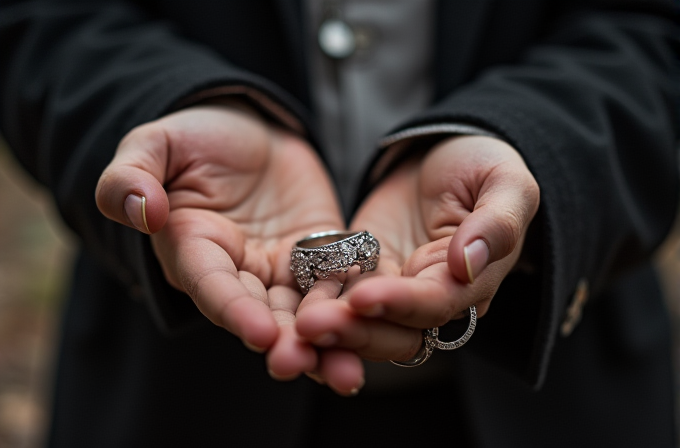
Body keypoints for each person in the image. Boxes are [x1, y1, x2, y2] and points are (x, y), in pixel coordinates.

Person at [1, 0, 678, 446]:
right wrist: (163, 107)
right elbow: (44, 18)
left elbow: (653, 30)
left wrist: (530, 144)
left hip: (563, 403)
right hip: (174, 397)